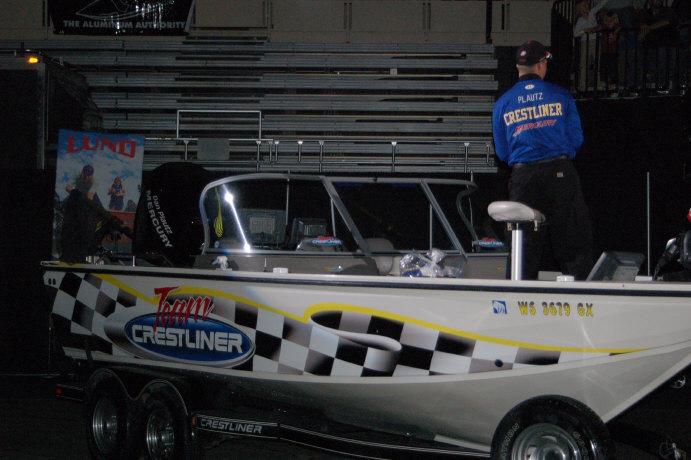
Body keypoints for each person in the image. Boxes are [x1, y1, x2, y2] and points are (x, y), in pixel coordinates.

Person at [492, 41, 593, 280]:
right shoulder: (561, 95)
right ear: (541, 65)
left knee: (522, 249)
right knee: (573, 247)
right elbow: (576, 140)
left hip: (523, 178)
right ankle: (580, 296)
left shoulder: (502, 103)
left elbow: (502, 153)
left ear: (518, 67)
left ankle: (518, 297)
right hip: (559, 173)